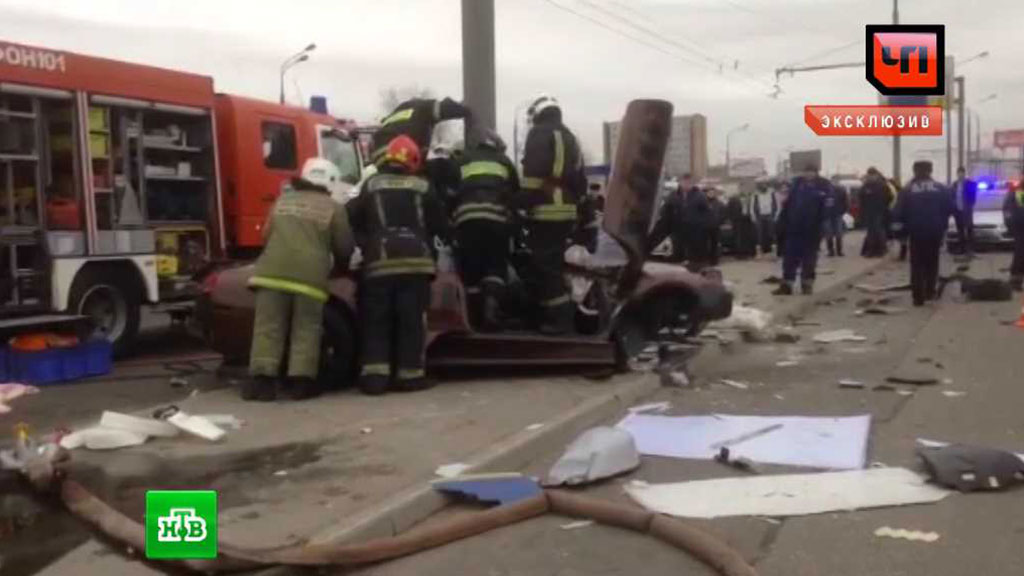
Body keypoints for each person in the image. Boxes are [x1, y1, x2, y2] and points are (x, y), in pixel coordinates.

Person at [347, 136, 448, 395]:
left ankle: (374, 378)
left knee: (376, 320)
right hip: (416, 264)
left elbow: (351, 217)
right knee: (411, 320)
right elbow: (440, 224)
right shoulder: (423, 186)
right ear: (413, 160)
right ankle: (410, 376)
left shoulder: (371, 184)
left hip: (379, 263)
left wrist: (366, 243)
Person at [246, 159, 354, 402]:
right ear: (331, 182)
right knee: (306, 329)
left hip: (271, 274)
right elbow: (344, 246)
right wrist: (341, 268)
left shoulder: (282, 201)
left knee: (267, 328)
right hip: (309, 278)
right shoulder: (334, 208)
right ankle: (301, 384)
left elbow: (265, 235)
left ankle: (261, 384)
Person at [518, 94, 588, 334]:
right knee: (554, 264)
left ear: (538, 113)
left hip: (546, 209)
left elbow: (533, 174)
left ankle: (560, 319)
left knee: (544, 266)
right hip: (567, 210)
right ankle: (549, 315)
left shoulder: (539, 133)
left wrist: (520, 203)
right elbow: (580, 179)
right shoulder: (571, 137)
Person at [451, 129, 519, 331]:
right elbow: (515, 192)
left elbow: (449, 191)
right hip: (496, 220)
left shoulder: (462, 160)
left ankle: (472, 317)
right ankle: (491, 311)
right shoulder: (504, 161)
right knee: (495, 265)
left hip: (467, 220)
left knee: (471, 266)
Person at [893, 161, 953, 307]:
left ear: (915, 171)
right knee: (932, 262)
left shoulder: (907, 190)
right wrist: (942, 225)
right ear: (930, 171)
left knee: (917, 264)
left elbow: (898, 213)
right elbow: (950, 208)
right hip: (935, 231)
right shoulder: (941, 188)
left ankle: (917, 297)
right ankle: (930, 292)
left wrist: (899, 234)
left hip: (916, 232)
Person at [773, 163, 827, 296]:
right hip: (794, 229)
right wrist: (782, 224)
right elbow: (787, 206)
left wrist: (821, 226)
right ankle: (787, 285)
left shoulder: (823, 186)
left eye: (811, 171)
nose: (808, 174)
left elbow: (827, 209)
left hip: (812, 231)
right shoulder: (796, 186)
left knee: (809, 260)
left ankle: (807, 284)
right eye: (806, 171)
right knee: (789, 259)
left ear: (816, 173)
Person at [371, 97, 472, 165]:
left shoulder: (397, 112)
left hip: (379, 156)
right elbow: (447, 108)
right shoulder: (423, 107)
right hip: (401, 153)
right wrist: (466, 109)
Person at [860, 167, 890, 258]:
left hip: (879, 211)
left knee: (878, 230)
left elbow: (888, 197)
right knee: (871, 232)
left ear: (876, 175)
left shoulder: (882, 185)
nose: (871, 176)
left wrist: (883, 207)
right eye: (869, 175)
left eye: (872, 175)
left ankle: (881, 250)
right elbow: (861, 197)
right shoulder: (866, 185)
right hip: (869, 211)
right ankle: (871, 250)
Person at [951, 167, 978, 255]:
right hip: (958, 211)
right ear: (957, 174)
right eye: (959, 173)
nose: (960, 175)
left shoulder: (970, 183)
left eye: (962, 173)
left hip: (967, 211)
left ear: (964, 173)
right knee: (960, 230)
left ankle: (970, 249)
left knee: (969, 230)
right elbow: (952, 196)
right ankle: (961, 248)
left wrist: (969, 205)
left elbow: (973, 196)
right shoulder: (955, 184)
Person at [1005, 181, 1024, 291]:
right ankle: (1015, 280)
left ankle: (1016, 279)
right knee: (1020, 253)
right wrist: (1010, 225)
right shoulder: (1019, 191)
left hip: (1019, 225)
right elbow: (1020, 211)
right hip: (1020, 227)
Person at [727, 191, 757, 259]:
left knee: (747, 237)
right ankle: (739, 254)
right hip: (737, 221)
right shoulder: (733, 200)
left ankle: (747, 253)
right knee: (738, 238)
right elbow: (729, 210)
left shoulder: (750, 199)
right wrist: (731, 220)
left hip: (747, 221)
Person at [822, 181, 848, 257]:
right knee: (828, 234)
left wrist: (843, 211)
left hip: (837, 214)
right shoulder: (825, 191)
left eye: (836, 181)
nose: (835, 183)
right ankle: (831, 251)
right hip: (827, 215)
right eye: (833, 181)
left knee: (838, 233)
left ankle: (839, 251)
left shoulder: (841, 191)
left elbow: (846, 201)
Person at [752, 179, 778, 255]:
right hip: (759, 216)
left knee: (772, 233)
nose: (763, 185)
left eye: (765, 184)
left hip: (770, 215)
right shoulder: (755, 195)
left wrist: (776, 216)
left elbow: (777, 205)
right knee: (759, 234)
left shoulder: (772, 194)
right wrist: (753, 216)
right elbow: (752, 206)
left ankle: (773, 252)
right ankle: (759, 253)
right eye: (762, 184)